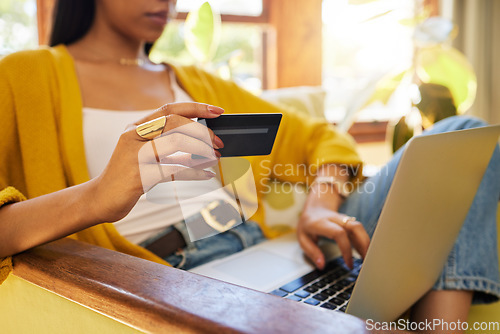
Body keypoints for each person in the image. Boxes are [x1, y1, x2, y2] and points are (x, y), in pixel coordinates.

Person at [0, 0, 498, 330]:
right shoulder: (24, 77)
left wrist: (318, 207)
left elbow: (320, 136)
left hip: (267, 251)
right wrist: (98, 196)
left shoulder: (198, 83)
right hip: (170, 275)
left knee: (465, 133)